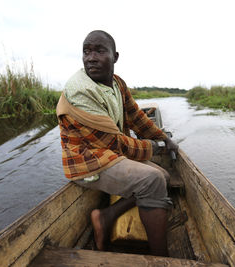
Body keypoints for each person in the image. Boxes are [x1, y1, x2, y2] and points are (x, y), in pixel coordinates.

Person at [56, 30, 178, 256]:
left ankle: (106, 215)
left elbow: (137, 118)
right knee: (152, 180)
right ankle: (162, 259)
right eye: (86, 51)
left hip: (108, 155)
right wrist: (156, 147)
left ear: (115, 57)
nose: (91, 57)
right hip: (88, 163)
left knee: (164, 177)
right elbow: (116, 145)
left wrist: (163, 137)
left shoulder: (117, 83)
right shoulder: (81, 92)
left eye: (99, 51)